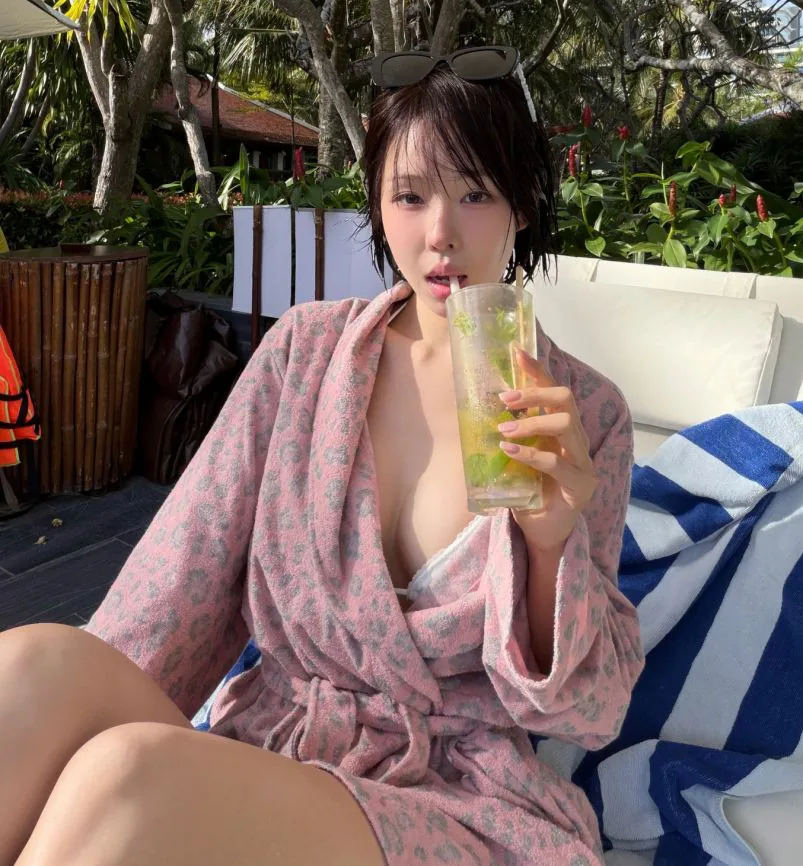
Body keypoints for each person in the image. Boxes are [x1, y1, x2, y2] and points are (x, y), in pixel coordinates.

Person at [0, 46, 643, 866]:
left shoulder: (585, 412)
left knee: (129, 776)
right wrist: (82, 724)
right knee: (36, 664)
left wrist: (551, 547)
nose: (440, 235)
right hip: (279, 748)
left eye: (476, 193)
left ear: (521, 204)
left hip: (452, 793)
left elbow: (588, 711)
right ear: (377, 203)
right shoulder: (303, 355)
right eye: (410, 196)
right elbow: (176, 584)